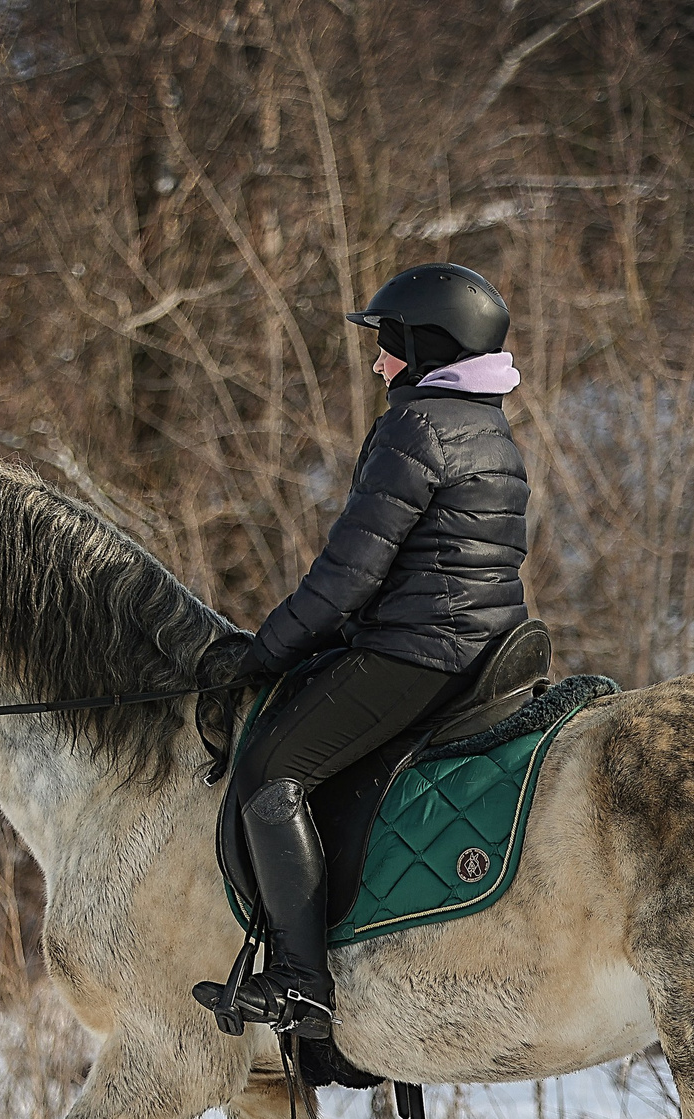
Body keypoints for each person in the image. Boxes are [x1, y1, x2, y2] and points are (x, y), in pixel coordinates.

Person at [197, 262, 529, 1041]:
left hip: (419, 653)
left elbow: (349, 572)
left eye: (388, 344)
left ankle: (302, 985)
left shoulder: (416, 428)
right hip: (486, 645)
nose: (379, 361)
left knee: (268, 770)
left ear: (424, 346)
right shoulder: (491, 427)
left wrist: (266, 651)